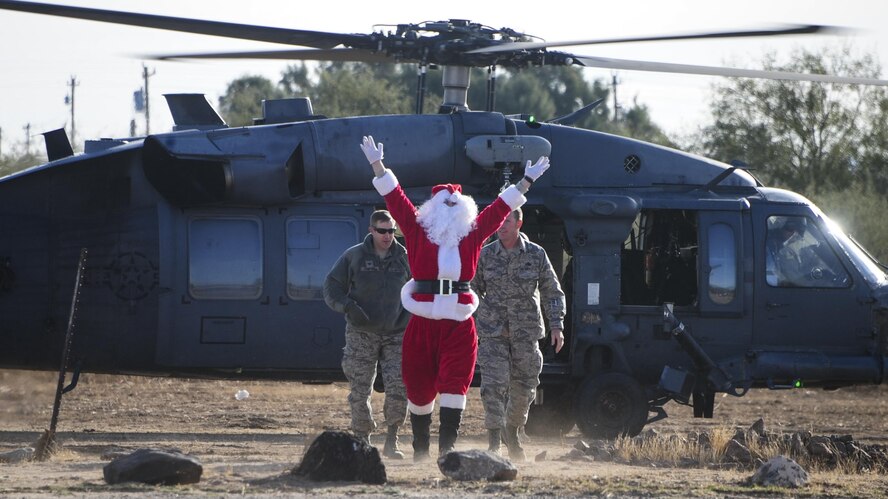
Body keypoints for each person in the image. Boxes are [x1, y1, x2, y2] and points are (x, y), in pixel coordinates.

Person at [359, 135, 551, 461]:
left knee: (455, 384)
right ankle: (421, 450)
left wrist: (527, 180)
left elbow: (501, 207)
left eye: (455, 203)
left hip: (459, 322)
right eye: (444, 203)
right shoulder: (418, 229)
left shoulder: (473, 233)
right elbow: (395, 198)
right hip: (422, 319)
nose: (450, 207)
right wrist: (377, 165)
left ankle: (447, 451)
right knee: (418, 385)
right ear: (432, 209)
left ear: (464, 209)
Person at [473, 207, 566, 461]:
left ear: (519, 223)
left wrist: (557, 325)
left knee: (525, 386)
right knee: (494, 385)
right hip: (494, 334)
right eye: (499, 221)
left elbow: (552, 291)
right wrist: (485, 316)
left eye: (507, 220)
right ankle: (494, 442)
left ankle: (512, 431)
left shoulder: (536, 254)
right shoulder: (485, 255)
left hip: (526, 333)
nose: (501, 225)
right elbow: (471, 291)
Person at [323, 210, 412, 459]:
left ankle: (392, 439)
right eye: (382, 231)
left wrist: (412, 315)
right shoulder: (354, 256)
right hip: (362, 332)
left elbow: (420, 287)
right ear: (371, 230)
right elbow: (331, 286)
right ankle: (362, 439)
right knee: (360, 389)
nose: (387, 236)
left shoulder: (405, 257)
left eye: (391, 231)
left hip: (397, 333)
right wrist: (349, 306)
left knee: (398, 386)